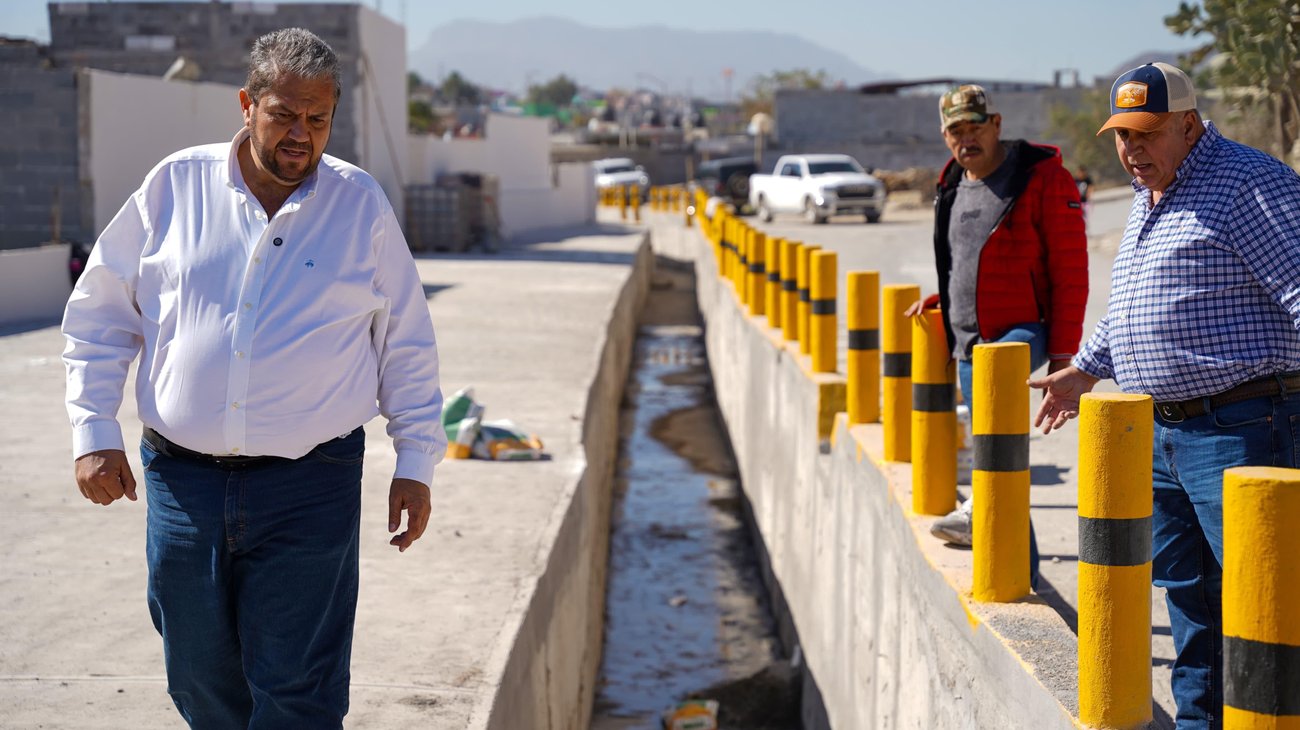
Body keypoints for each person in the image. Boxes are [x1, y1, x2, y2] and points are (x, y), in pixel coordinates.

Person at [61, 28, 445, 728]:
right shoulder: (174, 186)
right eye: (285, 115)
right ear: (247, 103)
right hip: (185, 485)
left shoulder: (360, 207)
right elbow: (101, 315)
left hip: (311, 484)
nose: (303, 134)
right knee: (200, 679)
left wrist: (416, 460)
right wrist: (94, 431)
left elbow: (407, 342)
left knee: (298, 689)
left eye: (319, 119)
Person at [1031, 62, 1300, 729]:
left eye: (1146, 135)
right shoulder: (1148, 189)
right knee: (1190, 606)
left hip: (1245, 428)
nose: (1131, 150)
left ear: (1187, 124)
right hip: (1164, 436)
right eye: (1122, 136)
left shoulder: (1248, 184)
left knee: (1262, 606)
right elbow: (1134, 304)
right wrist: (1086, 369)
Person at [915, 85, 1089, 558]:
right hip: (969, 341)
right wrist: (944, 297)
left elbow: (1071, 270)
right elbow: (961, 259)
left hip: (1020, 334)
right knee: (996, 455)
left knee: (994, 448)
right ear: (945, 135)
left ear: (996, 125)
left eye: (975, 126)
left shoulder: (1042, 179)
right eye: (956, 129)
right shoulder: (951, 182)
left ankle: (986, 520)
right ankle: (1014, 559)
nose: (966, 138)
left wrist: (1061, 356)